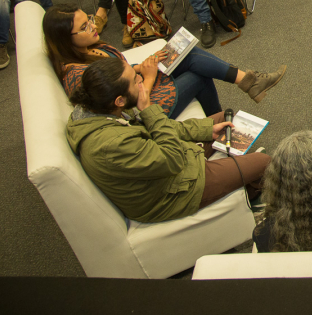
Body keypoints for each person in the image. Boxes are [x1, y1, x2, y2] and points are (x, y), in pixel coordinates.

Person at [65, 57, 271, 223]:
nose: (140, 79)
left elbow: (157, 131)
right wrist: (148, 110)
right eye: (135, 80)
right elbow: (173, 160)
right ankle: (253, 194)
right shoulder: (111, 144)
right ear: (119, 100)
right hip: (169, 194)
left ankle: (246, 182)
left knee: (222, 121)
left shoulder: (101, 109)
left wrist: (208, 129)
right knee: (264, 162)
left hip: (161, 167)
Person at [44, 5, 287, 119]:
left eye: (89, 19)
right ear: (66, 39)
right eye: (84, 26)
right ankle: (223, 121)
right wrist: (147, 79)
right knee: (198, 76)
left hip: (138, 82)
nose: (93, 25)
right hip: (142, 108)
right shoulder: (76, 75)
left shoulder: (89, 47)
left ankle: (248, 81)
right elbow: (120, 110)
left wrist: (141, 66)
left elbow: (119, 70)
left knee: (186, 54)